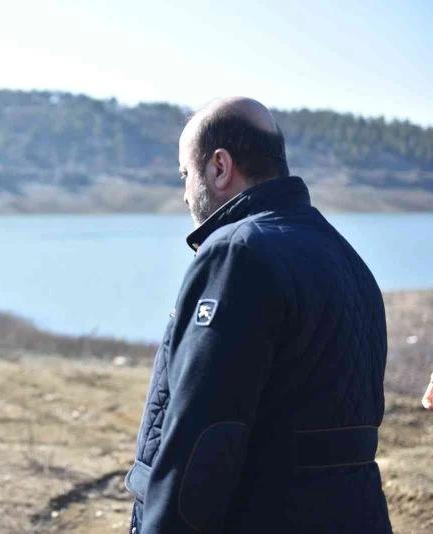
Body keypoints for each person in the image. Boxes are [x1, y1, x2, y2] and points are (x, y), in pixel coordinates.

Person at [125, 97, 391, 533]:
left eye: (185, 175)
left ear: (219, 167)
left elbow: (203, 437)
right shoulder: (347, 258)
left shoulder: (238, 253)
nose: (184, 193)